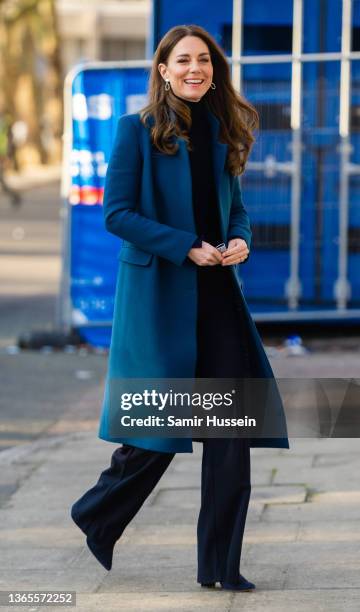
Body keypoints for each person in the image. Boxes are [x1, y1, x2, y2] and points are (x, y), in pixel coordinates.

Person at [71, 24, 289, 591]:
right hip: (162, 294)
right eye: (184, 60)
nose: (196, 68)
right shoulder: (134, 130)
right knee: (158, 429)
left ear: (214, 70)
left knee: (231, 429)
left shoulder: (222, 129)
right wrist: (183, 245)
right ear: (164, 70)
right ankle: (97, 512)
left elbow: (234, 208)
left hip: (218, 294)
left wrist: (238, 239)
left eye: (205, 60)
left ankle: (221, 566)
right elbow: (116, 213)